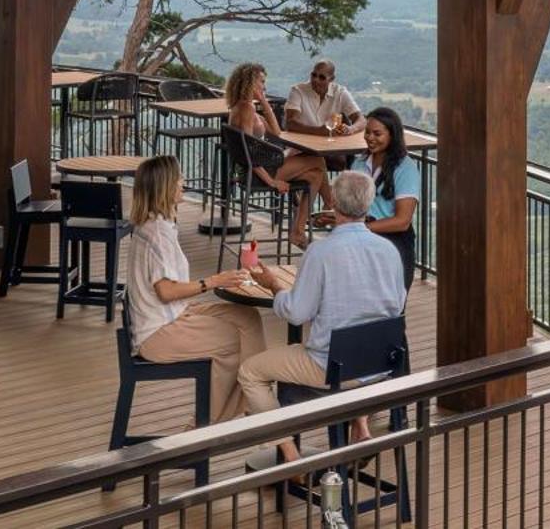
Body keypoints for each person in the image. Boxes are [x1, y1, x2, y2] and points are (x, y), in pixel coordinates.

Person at [237, 170, 407, 468]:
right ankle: (361, 427)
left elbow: (296, 312)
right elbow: (396, 306)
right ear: (367, 205)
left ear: (334, 206)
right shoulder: (389, 251)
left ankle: (291, 458)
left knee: (251, 372)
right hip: (379, 365)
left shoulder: (321, 252)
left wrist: (274, 285)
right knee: (353, 343)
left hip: (332, 366)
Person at [125, 155, 267, 423]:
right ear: (165, 186)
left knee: (248, 318)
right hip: (158, 332)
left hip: (168, 315)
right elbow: (165, 291)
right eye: (179, 178)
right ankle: (208, 426)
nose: (184, 183)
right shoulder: (157, 233)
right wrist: (213, 282)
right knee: (235, 341)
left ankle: (253, 401)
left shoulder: (157, 225)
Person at [225, 63, 329, 247]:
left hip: (257, 168)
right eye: (261, 82)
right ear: (250, 83)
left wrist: (264, 102)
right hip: (256, 174)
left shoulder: (244, 107)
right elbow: (249, 152)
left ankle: (299, 230)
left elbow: (276, 132)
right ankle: (329, 207)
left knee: (316, 175)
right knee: (317, 159)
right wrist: (272, 182)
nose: (264, 87)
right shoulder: (246, 110)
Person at [351, 107, 421, 289]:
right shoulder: (359, 162)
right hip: (361, 239)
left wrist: (361, 228)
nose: (369, 137)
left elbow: (402, 221)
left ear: (392, 135)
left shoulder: (405, 168)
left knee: (393, 306)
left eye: (377, 133)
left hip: (393, 241)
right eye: (367, 132)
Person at [282, 58, 362, 139]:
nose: (315, 80)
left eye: (322, 77)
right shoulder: (298, 91)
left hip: (331, 146)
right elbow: (289, 123)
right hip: (300, 147)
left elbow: (361, 120)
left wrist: (351, 129)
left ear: (331, 79)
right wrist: (319, 131)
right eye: (313, 75)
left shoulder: (340, 93)